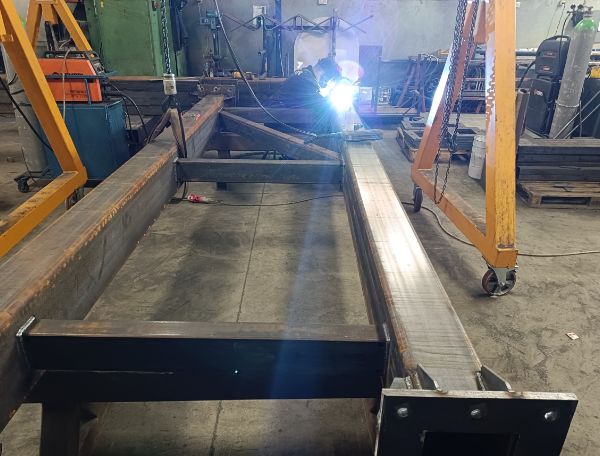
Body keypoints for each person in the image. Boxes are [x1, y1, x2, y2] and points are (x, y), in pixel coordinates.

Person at [269, 57, 341, 134]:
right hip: (280, 123)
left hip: (281, 119)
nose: (326, 85)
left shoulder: (304, 74)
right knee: (330, 110)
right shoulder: (306, 80)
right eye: (329, 81)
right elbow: (321, 103)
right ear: (324, 74)